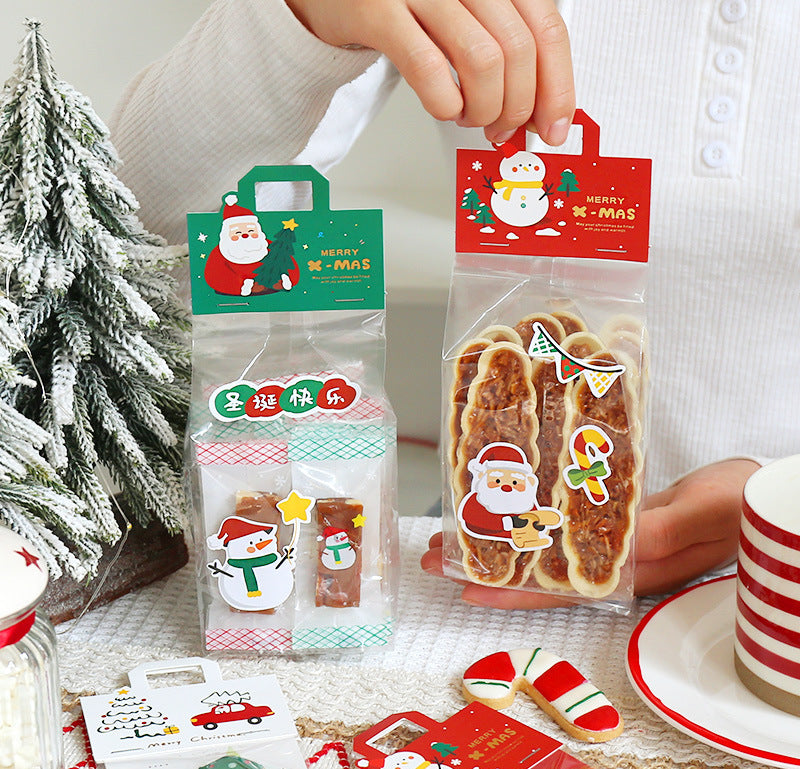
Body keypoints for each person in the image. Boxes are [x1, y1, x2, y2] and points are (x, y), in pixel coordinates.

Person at [111, 0, 798, 608]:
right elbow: (124, 226)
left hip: (778, 575)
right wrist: (302, 22)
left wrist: (782, 495)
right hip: (495, 545)